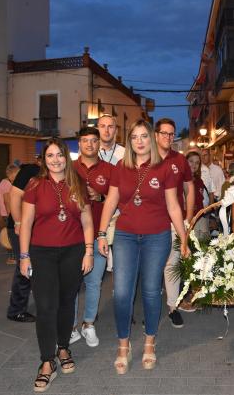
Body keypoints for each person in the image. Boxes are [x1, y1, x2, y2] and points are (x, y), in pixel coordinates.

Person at [97, 119, 189, 375]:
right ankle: (123, 346)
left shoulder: (165, 169)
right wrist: (102, 233)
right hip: (125, 235)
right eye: (135, 137)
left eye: (144, 136)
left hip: (157, 237)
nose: (139, 141)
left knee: (150, 291)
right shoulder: (120, 168)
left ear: (151, 139)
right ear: (130, 141)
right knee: (122, 293)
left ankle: (150, 342)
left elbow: (173, 206)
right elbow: (110, 202)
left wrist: (183, 237)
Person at [19, 137, 94, 392]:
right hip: (42, 254)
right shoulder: (35, 185)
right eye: (50, 155)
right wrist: (24, 255)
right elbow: (26, 223)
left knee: (66, 304)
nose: (55, 160)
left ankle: (63, 348)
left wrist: (89, 251)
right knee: (46, 306)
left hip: (73, 253)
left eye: (59, 155)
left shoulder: (78, 184)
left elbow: (86, 221)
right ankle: (46, 362)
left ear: (66, 157)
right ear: (44, 160)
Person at [70, 127, 113, 346]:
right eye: (85, 140)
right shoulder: (68, 168)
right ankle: (71, 328)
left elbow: (119, 200)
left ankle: (88, 324)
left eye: (93, 141)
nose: (89, 144)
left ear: (99, 144)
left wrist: (102, 196)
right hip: (72, 238)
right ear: (79, 144)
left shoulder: (109, 170)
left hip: (99, 236)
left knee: (94, 283)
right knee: (73, 285)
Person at [155, 118, 194, 328]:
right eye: (164, 133)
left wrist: (188, 216)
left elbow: (190, 188)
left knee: (172, 265)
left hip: (174, 221)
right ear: (156, 135)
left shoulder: (179, 159)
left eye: (171, 134)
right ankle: (151, 312)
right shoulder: (146, 158)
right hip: (150, 222)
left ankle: (173, 307)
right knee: (152, 268)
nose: (168, 137)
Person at [7, 160, 41, 323]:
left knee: (31, 265)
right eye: (50, 155)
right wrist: (18, 222)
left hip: (35, 227)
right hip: (20, 226)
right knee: (25, 266)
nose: (55, 160)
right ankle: (16, 310)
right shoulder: (32, 169)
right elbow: (14, 194)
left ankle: (20, 307)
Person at [97, 113, 125, 273]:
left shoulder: (125, 154)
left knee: (120, 260)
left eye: (110, 126)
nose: (106, 130)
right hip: (96, 212)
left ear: (116, 130)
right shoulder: (88, 152)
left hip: (120, 213)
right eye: (102, 126)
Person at [0, 164, 19, 264]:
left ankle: (13, 257)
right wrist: (12, 217)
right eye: (17, 173)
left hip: (8, 214)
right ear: (12, 173)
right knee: (11, 236)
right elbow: (7, 201)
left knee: (12, 235)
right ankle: (12, 258)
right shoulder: (6, 184)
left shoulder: (7, 183)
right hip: (8, 214)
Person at [186, 151, 210, 238]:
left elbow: (202, 201)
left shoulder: (199, 181)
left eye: (197, 163)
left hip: (200, 219)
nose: (194, 165)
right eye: (191, 161)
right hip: (186, 220)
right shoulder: (180, 180)